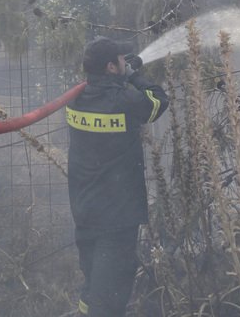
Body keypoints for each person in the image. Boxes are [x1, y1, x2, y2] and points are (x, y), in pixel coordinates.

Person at [65, 36, 170, 317]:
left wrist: (121, 76)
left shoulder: (75, 99)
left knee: (93, 286)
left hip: (85, 212)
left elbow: (102, 96)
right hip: (117, 216)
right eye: (122, 60)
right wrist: (135, 76)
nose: (126, 62)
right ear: (111, 67)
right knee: (110, 296)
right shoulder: (125, 100)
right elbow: (158, 102)